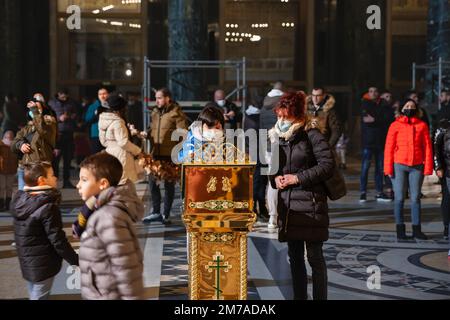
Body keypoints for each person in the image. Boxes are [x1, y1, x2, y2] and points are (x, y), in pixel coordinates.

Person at [269, 91, 335, 300]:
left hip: (311, 203)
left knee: (315, 257)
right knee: (295, 257)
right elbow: (273, 168)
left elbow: (327, 165)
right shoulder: (278, 136)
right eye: (279, 115)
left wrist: (297, 178)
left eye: (285, 116)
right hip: (289, 206)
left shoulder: (311, 133)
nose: (281, 120)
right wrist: (276, 178)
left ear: (296, 115)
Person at [76, 153, 144, 299]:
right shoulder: (99, 210)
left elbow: (126, 269)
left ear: (103, 184)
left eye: (84, 180)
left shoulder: (108, 217)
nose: (78, 185)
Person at [10, 162, 78, 300]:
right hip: (43, 263)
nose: (55, 178)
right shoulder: (47, 206)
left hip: (27, 261)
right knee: (39, 296)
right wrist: (74, 259)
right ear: (42, 180)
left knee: (34, 293)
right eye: (52, 175)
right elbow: (58, 239)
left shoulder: (20, 199)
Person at [384, 99, 433, 240]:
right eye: (407, 106)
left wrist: (428, 167)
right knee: (399, 198)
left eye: (412, 106)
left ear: (417, 109)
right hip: (398, 165)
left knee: (415, 198)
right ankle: (400, 229)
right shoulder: (395, 125)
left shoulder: (422, 125)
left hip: (417, 166)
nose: (409, 108)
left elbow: (428, 148)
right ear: (401, 108)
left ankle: (417, 229)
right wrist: (388, 169)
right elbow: (389, 148)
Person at [141, 88, 188, 225]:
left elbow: (183, 134)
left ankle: (165, 214)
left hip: (170, 155)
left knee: (169, 184)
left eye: (159, 98)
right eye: (156, 98)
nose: (157, 100)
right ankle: (155, 211)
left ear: (168, 98)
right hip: (156, 154)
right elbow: (153, 129)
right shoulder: (155, 112)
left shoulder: (176, 113)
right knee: (152, 182)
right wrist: (147, 134)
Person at [11, 98, 57, 191]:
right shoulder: (26, 128)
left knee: (39, 196)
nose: (33, 110)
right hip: (25, 168)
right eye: (32, 109)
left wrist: (36, 112)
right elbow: (13, 144)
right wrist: (20, 145)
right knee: (24, 199)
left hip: (40, 168)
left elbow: (42, 130)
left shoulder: (49, 123)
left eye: (37, 108)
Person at [98, 94, 143, 184]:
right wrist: (138, 151)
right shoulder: (117, 122)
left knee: (114, 183)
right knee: (125, 184)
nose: (125, 110)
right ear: (119, 109)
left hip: (110, 154)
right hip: (122, 156)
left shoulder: (103, 120)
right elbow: (123, 142)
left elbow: (103, 141)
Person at [260, 82, 284, 229]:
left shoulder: (263, 105)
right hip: (281, 145)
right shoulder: (282, 104)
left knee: (272, 182)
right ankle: (282, 214)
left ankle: (272, 217)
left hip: (267, 147)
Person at [359, 87, 390, 202]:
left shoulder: (384, 104)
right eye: (370, 91)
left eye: (375, 91)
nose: (373, 93)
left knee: (380, 168)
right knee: (365, 168)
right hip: (368, 142)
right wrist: (379, 119)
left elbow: (387, 119)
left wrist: (375, 119)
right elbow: (367, 120)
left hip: (381, 141)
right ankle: (363, 192)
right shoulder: (365, 104)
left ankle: (379, 192)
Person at [48, 88, 80, 188]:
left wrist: (71, 116)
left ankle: (66, 181)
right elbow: (48, 117)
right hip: (57, 134)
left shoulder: (71, 103)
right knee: (55, 159)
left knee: (68, 158)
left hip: (69, 133)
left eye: (66, 95)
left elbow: (76, 114)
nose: (65, 97)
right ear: (58, 94)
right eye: (63, 94)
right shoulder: (52, 103)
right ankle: (55, 181)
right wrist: (59, 118)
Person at [434, 118, 450, 241]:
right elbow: (437, 148)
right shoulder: (443, 125)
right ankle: (447, 227)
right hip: (447, 169)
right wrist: (438, 166)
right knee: (447, 197)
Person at [85, 88, 109, 154]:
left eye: (104, 94)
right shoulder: (93, 106)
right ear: (98, 96)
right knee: (96, 155)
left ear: (108, 95)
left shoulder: (111, 105)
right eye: (100, 94)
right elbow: (87, 119)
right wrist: (95, 113)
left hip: (109, 134)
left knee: (108, 156)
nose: (102, 96)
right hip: (96, 134)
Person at [0, 130, 17, 211]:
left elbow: (16, 159)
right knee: (2, 187)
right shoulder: (1, 145)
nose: (9, 139)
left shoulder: (14, 146)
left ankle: (8, 204)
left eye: (11, 137)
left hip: (11, 170)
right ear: (4, 137)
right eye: (7, 137)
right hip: (1, 170)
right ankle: (1, 204)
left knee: (9, 187)